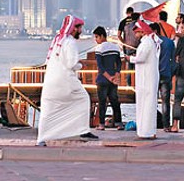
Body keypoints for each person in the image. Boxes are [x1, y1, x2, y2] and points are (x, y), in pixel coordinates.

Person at [37, 15, 96, 146]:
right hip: (66, 80)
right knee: (83, 99)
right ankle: (83, 130)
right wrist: (81, 65)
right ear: (74, 28)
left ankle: (41, 138)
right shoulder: (70, 42)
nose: (81, 31)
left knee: (49, 109)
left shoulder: (57, 40)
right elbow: (71, 64)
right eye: (80, 28)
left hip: (51, 81)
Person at [128, 20, 160, 139]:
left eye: (136, 33)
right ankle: (147, 131)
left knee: (147, 105)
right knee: (147, 105)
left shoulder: (147, 43)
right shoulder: (147, 42)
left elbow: (140, 58)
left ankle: (147, 132)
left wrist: (130, 58)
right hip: (146, 78)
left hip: (147, 79)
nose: (135, 35)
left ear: (141, 32)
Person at [93, 26, 124, 131]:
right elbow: (119, 63)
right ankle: (119, 123)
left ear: (102, 36)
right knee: (115, 101)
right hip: (114, 79)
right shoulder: (115, 47)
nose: (96, 40)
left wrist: (108, 77)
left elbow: (100, 67)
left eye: (97, 37)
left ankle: (101, 124)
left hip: (103, 79)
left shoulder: (99, 48)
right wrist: (116, 74)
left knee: (102, 102)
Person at [151, 22, 175, 132]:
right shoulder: (170, 43)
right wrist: (171, 73)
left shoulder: (150, 43)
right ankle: (166, 125)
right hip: (166, 75)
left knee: (151, 101)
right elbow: (174, 61)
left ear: (155, 31)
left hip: (153, 75)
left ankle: (151, 123)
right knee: (165, 102)